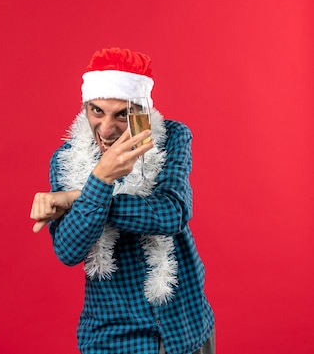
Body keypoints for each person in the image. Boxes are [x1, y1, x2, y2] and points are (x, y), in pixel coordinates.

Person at [30, 48, 215, 354]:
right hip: (115, 337)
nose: (106, 129)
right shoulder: (65, 160)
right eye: (97, 111)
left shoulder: (172, 137)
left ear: (141, 112)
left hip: (186, 323)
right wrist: (100, 179)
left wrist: (79, 197)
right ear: (85, 107)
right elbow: (68, 250)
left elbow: (172, 214)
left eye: (122, 114)